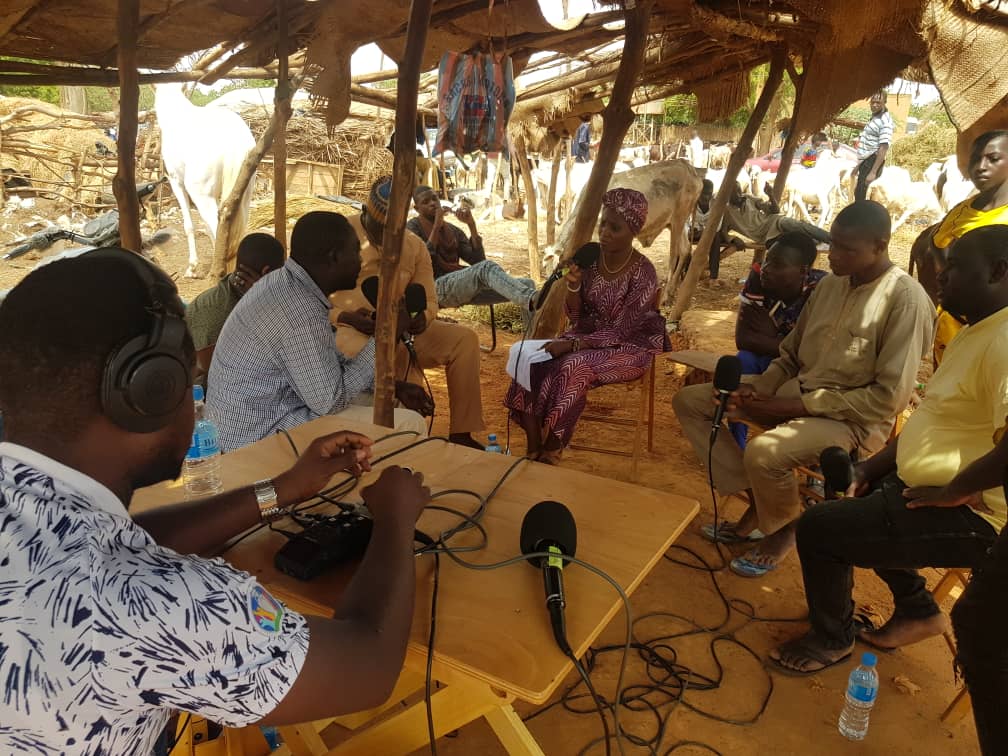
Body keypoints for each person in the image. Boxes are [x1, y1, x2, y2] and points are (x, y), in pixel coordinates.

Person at [0, 248, 432, 754]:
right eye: (189, 377)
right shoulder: (160, 608)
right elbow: (368, 666)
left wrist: (282, 490)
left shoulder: (44, 517)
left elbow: (131, 543)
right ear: (149, 391)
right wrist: (396, 519)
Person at [769, 225, 1008, 676]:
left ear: (998, 271)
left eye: (954, 267)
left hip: (979, 517)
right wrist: (869, 468)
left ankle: (831, 638)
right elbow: (932, 421)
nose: (941, 277)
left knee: (820, 528)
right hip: (930, 486)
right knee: (867, 498)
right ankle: (918, 610)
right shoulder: (977, 331)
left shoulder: (1004, 340)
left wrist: (958, 488)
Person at [673, 201, 935, 573]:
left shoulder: (906, 301)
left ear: (880, 246)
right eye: (834, 244)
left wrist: (788, 408)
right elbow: (790, 354)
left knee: (765, 452)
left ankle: (783, 531)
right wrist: (760, 390)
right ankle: (767, 505)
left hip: (853, 422)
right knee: (694, 402)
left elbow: (886, 399)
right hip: (793, 394)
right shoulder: (830, 286)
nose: (834, 257)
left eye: (847, 249)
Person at [207, 211, 430, 452]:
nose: (361, 262)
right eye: (355, 252)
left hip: (264, 416)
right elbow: (329, 402)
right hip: (257, 440)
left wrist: (394, 386)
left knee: (390, 402)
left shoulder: (287, 285)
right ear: (333, 257)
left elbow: (326, 371)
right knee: (409, 424)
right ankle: (380, 488)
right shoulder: (299, 311)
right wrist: (386, 336)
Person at [504, 188, 667, 464]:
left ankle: (552, 449)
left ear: (633, 231)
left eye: (614, 227)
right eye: (603, 223)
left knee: (573, 366)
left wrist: (572, 345)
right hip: (585, 338)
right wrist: (575, 284)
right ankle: (533, 448)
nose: (604, 232)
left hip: (629, 347)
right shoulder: (592, 259)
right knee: (526, 357)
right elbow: (577, 319)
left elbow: (621, 330)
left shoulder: (643, 273)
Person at [332, 177, 487, 450]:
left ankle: (461, 432)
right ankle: (393, 435)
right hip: (350, 330)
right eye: (380, 229)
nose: (388, 237)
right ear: (366, 213)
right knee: (386, 363)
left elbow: (429, 300)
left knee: (465, 340)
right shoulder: (341, 234)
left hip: (402, 328)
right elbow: (310, 299)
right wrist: (344, 317)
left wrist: (422, 317)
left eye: (395, 229)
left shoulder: (414, 246)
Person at [914, 130, 1008, 366]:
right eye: (975, 159)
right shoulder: (961, 210)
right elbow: (935, 244)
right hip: (948, 329)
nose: (980, 166)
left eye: (993, 159)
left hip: (987, 334)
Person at [729, 232, 826, 449]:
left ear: (803, 271)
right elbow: (743, 339)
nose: (766, 269)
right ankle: (736, 446)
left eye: (778, 265)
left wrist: (771, 335)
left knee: (808, 385)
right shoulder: (757, 280)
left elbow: (811, 354)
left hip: (801, 368)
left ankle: (809, 459)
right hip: (771, 360)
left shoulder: (821, 290)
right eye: (767, 261)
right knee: (743, 361)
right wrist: (786, 342)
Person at [406, 185, 537, 324]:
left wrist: (471, 225)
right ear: (417, 209)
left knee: (528, 284)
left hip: (459, 287)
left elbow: (478, 261)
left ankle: (533, 340)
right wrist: (436, 227)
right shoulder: (412, 228)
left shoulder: (452, 230)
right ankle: (533, 298)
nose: (432, 203)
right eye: (425, 202)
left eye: (434, 199)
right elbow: (423, 260)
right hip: (434, 288)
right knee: (486, 269)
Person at [185, 232, 285, 386]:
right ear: (266, 272)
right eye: (280, 273)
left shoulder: (236, 291)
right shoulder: (217, 313)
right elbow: (218, 374)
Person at [713, 183, 831, 278]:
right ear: (727, 194)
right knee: (787, 245)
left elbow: (775, 210)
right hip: (764, 237)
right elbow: (723, 231)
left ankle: (830, 238)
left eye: (739, 191)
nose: (739, 195)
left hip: (774, 222)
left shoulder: (749, 199)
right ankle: (813, 245)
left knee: (800, 226)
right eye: (734, 193)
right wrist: (733, 239)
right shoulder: (726, 212)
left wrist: (770, 195)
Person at [853, 92, 894, 203]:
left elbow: (883, 148)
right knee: (859, 192)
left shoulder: (885, 121)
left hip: (872, 162)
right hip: (865, 161)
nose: (875, 105)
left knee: (862, 195)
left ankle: (862, 219)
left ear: (884, 103)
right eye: (873, 102)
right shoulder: (875, 117)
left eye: (878, 102)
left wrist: (873, 172)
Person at [688, 179, 714, 243]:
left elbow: (717, 227)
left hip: (711, 235)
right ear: (698, 192)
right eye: (704, 193)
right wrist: (691, 230)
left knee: (715, 236)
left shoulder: (716, 204)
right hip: (693, 235)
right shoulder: (690, 203)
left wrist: (703, 232)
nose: (707, 197)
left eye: (709, 193)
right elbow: (685, 222)